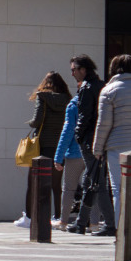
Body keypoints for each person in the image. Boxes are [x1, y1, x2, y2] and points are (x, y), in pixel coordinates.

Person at [13, 72, 68, 229]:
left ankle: (30, 217)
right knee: (56, 186)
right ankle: (57, 217)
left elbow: (37, 120)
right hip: (59, 146)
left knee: (33, 184)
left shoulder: (42, 97)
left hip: (41, 146)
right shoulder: (67, 99)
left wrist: (30, 123)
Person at [67, 55, 115, 235]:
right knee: (91, 179)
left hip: (90, 140)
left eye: (74, 69)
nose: (72, 73)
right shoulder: (101, 86)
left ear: (83, 69)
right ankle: (81, 222)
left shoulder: (87, 87)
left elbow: (84, 116)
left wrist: (79, 135)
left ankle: (109, 224)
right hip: (102, 139)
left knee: (97, 182)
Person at [94, 54, 131, 230]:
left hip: (117, 146)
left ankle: (122, 233)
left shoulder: (109, 90)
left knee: (118, 190)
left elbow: (104, 124)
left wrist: (98, 148)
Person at [53, 89, 84, 229]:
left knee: (68, 189)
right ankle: (94, 223)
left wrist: (58, 157)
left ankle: (64, 221)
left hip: (75, 153)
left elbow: (67, 131)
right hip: (93, 152)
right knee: (94, 188)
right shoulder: (98, 102)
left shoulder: (73, 105)